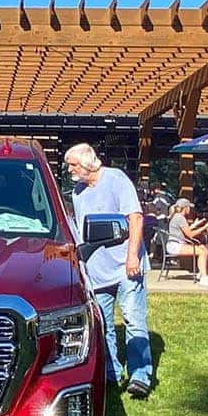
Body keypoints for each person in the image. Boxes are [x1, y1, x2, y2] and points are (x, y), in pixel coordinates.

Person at [64, 142, 153, 398]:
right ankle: (111, 374)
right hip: (97, 272)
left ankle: (140, 375)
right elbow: (81, 232)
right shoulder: (78, 193)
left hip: (126, 267)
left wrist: (132, 257)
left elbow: (135, 218)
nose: (70, 169)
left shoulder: (116, 180)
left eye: (73, 164)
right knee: (102, 325)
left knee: (134, 320)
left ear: (88, 162)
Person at [166, 199, 208, 287]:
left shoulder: (177, 217)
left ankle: (202, 273)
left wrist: (194, 225)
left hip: (176, 244)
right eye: (189, 207)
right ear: (186, 208)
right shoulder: (180, 218)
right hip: (175, 245)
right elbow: (190, 235)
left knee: (203, 247)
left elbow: (185, 231)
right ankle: (204, 278)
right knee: (202, 251)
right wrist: (205, 227)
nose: (190, 209)